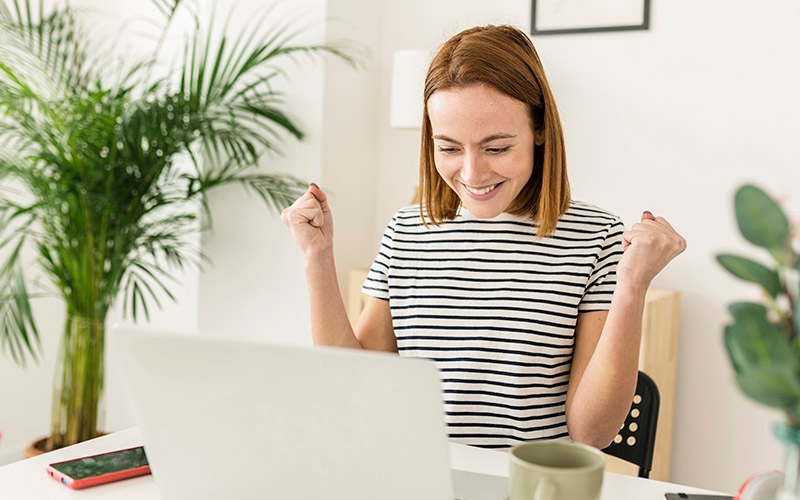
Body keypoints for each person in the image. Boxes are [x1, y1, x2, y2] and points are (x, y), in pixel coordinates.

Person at [281, 24, 686, 450]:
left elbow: (593, 433)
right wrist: (318, 257)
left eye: (496, 148)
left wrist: (633, 285)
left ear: (540, 130)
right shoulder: (405, 233)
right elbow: (357, 390)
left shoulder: (597, 238)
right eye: (450, 148)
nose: (472, 174)